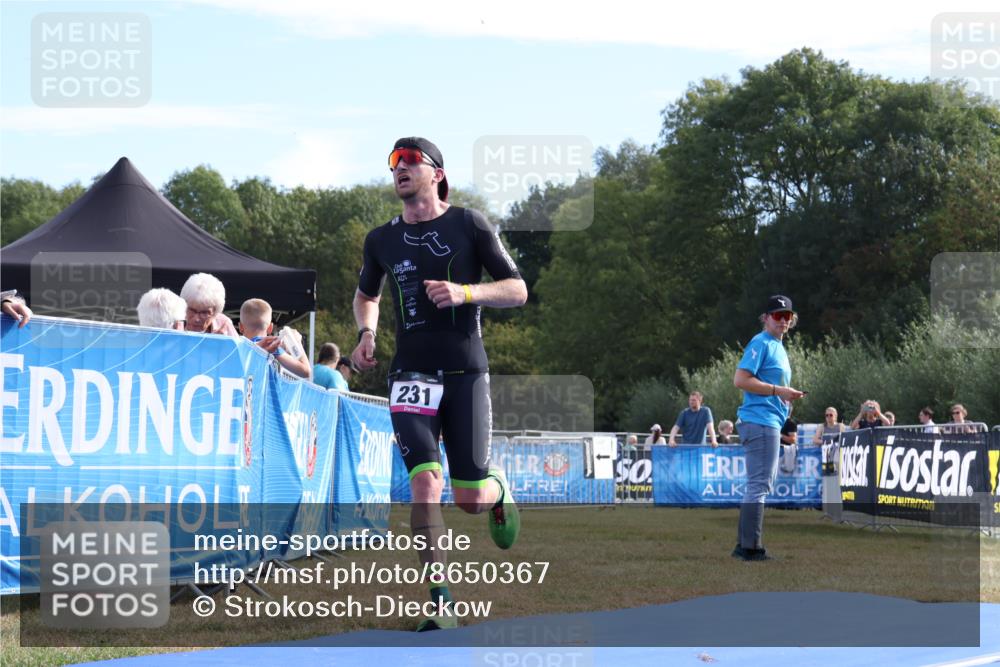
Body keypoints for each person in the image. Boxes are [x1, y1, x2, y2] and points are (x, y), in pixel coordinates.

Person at [350, 137, 528, 631]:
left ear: (437, 174)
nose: (399, 170)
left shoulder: (469, 224)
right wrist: (366, 332)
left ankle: (496, 488)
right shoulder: (380, 239)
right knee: (425, 484)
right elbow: (366, 296)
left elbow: (518, 289)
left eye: (410, 162)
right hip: (410, 372)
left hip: (465, 370)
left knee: (467, 497)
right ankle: (441, 602)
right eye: (394, 163)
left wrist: (466, 291)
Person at [732, 295, 806, 561]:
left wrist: (785, 399)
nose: (783, 321)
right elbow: (740, 379)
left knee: (756, 485)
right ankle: (752, 548)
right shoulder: (761, 342)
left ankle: (744, 545)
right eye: (777, 315)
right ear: (765, 318)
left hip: (766, 420)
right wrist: (778, 390)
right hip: (761, 421)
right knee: (760, 485)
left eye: (787, 316)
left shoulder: (776, 346)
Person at [239, 298, 311, 379]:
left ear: (240, 327)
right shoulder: (270, 346)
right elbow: (306, 371)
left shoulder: (238, 346)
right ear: (270, 328)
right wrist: (297, 342)